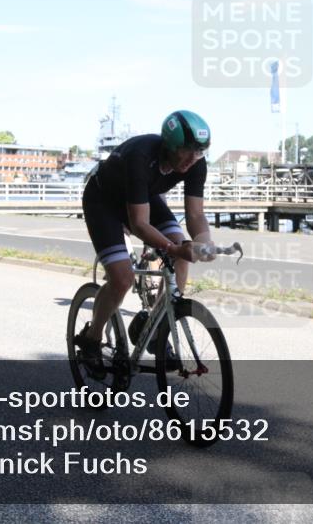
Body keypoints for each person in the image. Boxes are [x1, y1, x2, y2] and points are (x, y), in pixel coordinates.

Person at [76, 110, 215, 378]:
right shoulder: (140, 155)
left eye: (198, 152)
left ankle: (154, 326)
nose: (191, 159)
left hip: (143, 197)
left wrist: (203, 242)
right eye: (186, 151)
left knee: (184, 254)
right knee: (123, 278)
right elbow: (139, 224)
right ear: (169, 145)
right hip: (103, 202)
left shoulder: (197, 163)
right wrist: (174, 248)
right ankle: (92, 339)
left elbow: (196, 214)